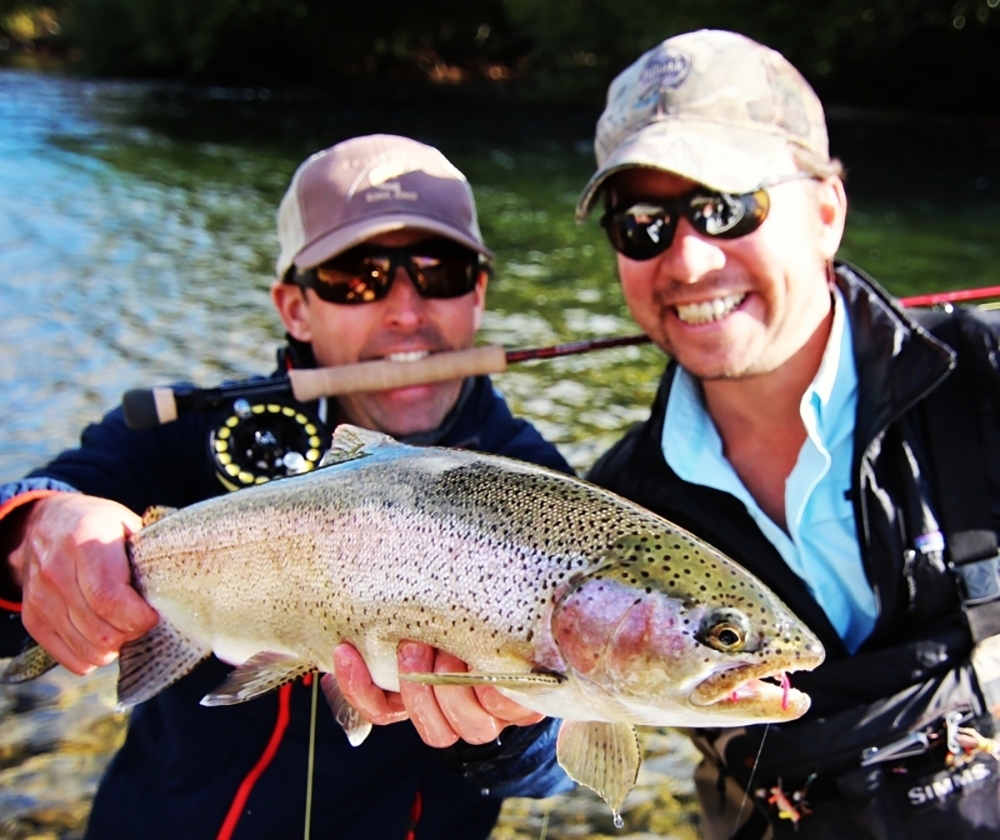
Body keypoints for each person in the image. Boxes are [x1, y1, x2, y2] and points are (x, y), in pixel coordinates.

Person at [0, 134, 574, 839]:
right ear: (294, 306)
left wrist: (514, 725)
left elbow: (553, 770)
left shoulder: (541, 492)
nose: (404, 309)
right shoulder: (198, 433)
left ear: (478, 293)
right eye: (355, 277)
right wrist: (36, 532)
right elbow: (41, 518)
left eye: (439, 270)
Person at [578, 29, 1000, 840]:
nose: (689, 261)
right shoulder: (613, 512)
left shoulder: (984, 377)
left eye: (725, 207)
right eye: (642, 224)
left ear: (828, 213)